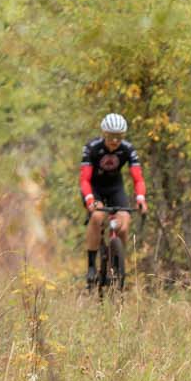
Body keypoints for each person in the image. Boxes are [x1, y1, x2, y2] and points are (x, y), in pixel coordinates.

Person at [79, 112, 147, 285]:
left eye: (119, 136)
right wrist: (89, 200)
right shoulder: (92, 148)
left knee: (124, 223)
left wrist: (140, 198)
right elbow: (85, 179)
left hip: (115, 188)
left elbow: (138, 178)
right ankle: (91, 266)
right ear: (104, 133)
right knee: (97, 217)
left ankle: (116, 261)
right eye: (111, 136)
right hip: (94, 189)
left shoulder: (128, 149)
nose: (115, 141)